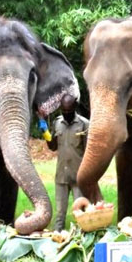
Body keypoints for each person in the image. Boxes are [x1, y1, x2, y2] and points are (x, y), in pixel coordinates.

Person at [44, 94, 89, 231]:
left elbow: (89, 151)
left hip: (78, 177)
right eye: (64, 112)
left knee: (80, 214)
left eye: (69, 112)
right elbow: (53, 146)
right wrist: (45, 132)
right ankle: (57, 238)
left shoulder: (84, 124)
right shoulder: (57, 122)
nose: (66, 114)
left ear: (75, 108)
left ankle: (80, 239)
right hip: (61, 176)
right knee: (60, 214)